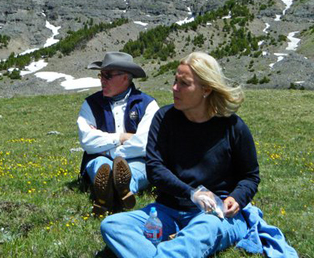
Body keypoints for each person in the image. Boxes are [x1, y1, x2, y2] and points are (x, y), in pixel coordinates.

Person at [101, 52, 261, 257]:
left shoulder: (233, 127)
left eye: (184, 83)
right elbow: (154, 169)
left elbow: (250, 176)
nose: (174, 88)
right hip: (168, 210)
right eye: (175, 81)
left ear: (206, 89)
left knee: (203, 230)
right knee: (113, 225)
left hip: (213, 214)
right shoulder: (164, 118)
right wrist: (192, 193)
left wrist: (237, 198)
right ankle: (175, 250)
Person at [77, 52, 159, 215]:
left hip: (136, 160)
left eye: (108, 75)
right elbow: (87, 140)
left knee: (135, 169)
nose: (102, 80)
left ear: (125, 77)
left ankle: (108, 195)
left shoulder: (147, 104)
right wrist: (121, 138)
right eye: (101, 75)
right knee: (101, 165)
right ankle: (122, 193)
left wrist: (107, 149)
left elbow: (145, 144)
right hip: (102, 159)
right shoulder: (91, 104)